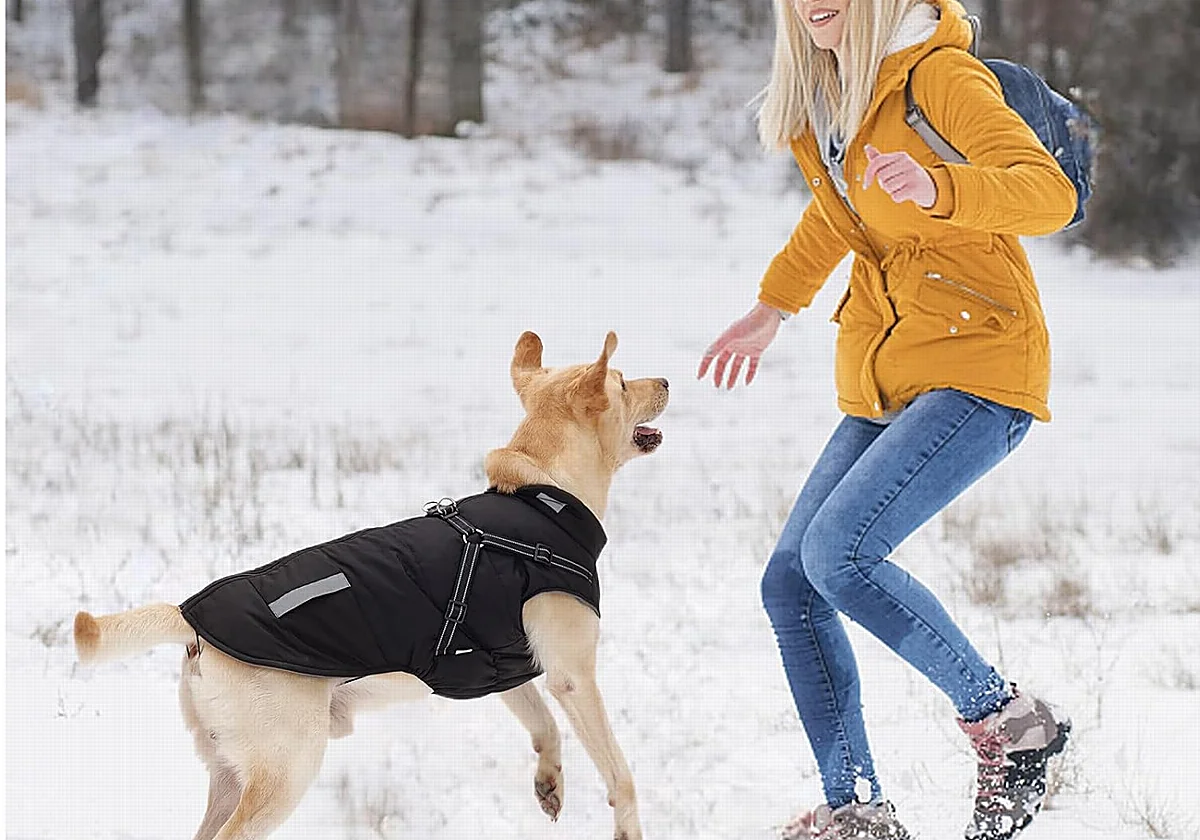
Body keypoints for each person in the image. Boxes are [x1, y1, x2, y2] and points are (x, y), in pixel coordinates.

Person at [697, 1, 1075, 838]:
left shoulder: (939, 76)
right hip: (893, 371)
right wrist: (772, 307)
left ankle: (1010, 723)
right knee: (792, 582)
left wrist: (942, 187)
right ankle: (857, 807)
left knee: (839, 553)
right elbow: (838, 213)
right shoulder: (839, 96)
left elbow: (1047, 193)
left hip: (981, 365)